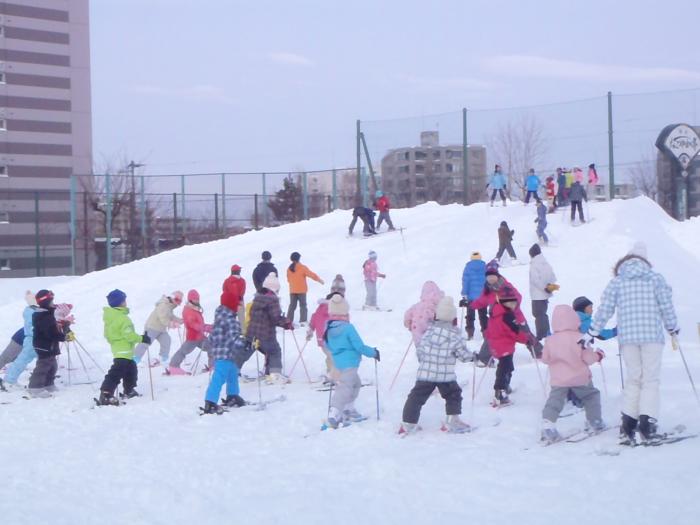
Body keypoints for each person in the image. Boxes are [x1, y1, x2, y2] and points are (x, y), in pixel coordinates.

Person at [589, 242, 678, 445]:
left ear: (627, 260)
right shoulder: (655, 279)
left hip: (628, 337)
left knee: (633, 378)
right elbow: (666, 305)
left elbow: (605, 309)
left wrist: (592, 331)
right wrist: (672, 327)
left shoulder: (618, 282)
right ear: (645, 260)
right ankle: (648, 423)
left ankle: (628, 423)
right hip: (651, 337)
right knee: (650, 380)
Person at [400, 296, 474, 435]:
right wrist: (474, 357)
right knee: (453, 394)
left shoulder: (429, 332)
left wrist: (426, 364)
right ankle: (452, 421)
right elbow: (463, 355)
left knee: (416, 397)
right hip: (445, 376)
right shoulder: (454, 336)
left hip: (425, 374)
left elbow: (420, 350)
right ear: (453, 318)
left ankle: (408, 424)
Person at [540, 305, 606, 443]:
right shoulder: (581, 338)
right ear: (575, 320)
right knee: (591, 396)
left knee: (554, 402)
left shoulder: (550, 340)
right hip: (579, 378)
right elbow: (588, 358)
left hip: (559, 379)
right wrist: (598, 355)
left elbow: (545, 359)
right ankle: (595, 421)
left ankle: (548, 426)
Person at [324, 294, 379, 428]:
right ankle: (334, 413)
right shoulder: (348, 328)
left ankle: (348, 409)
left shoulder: (329, 328)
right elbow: (359, 346)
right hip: (350, 362)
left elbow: (327, 345)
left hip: (339, 362)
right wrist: (373, 352)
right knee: (345, 387)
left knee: (356, 384)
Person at [470, 260, 535, 365]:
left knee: (526, 335)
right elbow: (481, 301)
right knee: (491, 337)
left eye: (493, 276)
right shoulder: (488, 289)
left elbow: (518, 297)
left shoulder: (505, 286)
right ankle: (484, 358)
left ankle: (540, 353)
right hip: (496, 320)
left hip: (514, 317)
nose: (491, 279)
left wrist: (509, 306)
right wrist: (470, 304)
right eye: (488, 276)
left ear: (497, 275)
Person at [97, 289, 149, 405]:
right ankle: (106, 394)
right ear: (121, 302)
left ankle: (129, 390)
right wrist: (142, 338)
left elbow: (107, 334)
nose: (126, 302)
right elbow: (129, 335)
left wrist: (115, 342)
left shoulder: (110, 317)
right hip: (124, 350)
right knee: (116, 372)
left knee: (131, 370)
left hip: (120, 350)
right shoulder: (123, 318)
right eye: (124, 300)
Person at [201, 299, 252, 415]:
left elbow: (212, 338)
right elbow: (234, 339)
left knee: (232, 375)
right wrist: (246, 344)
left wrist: (211, 345)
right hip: (228, 353)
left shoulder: (218, 320)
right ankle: (210, 402)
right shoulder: (231, 321)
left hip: (221, 354)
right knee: (219, 378)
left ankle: (232, 395)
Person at [483, 286, 531, 406]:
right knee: (504, 368)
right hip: (503, 345)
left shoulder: (495, 312)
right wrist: (527, 340)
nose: (513, 304)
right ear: (502, 302)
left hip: (496, 344)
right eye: (509, 302)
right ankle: (500, 391)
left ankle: (505, 386)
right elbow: (515, 333)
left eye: (514, 301)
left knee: (507, 366)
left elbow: (489, 329)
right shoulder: (507, 316)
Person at [248, 272, 294, 384]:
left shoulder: (257, 297)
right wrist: (286, 323)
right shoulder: (272, 299)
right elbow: (275, 318)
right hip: (265, 334)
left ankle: (267, 372)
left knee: (262, 350)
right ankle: (275, 375)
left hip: (253, 333)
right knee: (274, 351)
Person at [27, 290, 72, 397]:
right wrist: (63, 337)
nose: (53, 303)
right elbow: (51, 333)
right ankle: (35, 387)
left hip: (49, 346)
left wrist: (64, 323)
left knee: (52, 366)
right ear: (46, 302)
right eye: (51, 301)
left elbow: (55, 326)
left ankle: (48, 384)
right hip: (44, 346)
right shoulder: (44, 316)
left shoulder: (48, 313)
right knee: (43, 367)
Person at [168, 289, 212, 375]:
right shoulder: (188, 310)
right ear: (190, 299)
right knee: (183, 351)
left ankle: (213, 366)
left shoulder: (194, 308)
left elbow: (199, 323)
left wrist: (208, 327)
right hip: (193, 337)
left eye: (198, 299)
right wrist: (204, 327)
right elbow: (192, 324)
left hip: (200, 336)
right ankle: (173, 367)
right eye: (195, 299)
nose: (197, 301)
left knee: (211, 347)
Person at [134, 291, 184, 366]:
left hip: (161, 329)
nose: (178, 302)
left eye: (180, 301)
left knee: (167, 341)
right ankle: (135, 358)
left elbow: (171, 316)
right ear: (172, 297)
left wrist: (180, 321)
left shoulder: (170, 306)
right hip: (152, 327)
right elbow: (163, 319)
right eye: (177, 299)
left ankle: (163, 358)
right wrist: (172, 324)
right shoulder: (163, 305)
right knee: (146, 342)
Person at [4, 291, 40, 388]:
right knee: (21, 360)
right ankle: (9, 380)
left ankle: (10, 380)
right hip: (31, 340)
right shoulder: (32, 312)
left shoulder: (33, 311)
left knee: (41, 361)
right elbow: (32, 328)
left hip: (34, 340)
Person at [529, 243, 558, 343]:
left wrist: (544, 287)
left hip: (537, 294)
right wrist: (549, 286)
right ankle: (546, 332)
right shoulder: (546, 263)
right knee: (542, 313)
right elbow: (553, 277)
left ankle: (542, 334)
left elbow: (535, 280)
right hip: (546, 294)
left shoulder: (534, 264)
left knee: (538, 313)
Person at [286, 252, 324, 325]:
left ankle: (289, 320)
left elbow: (288, 279)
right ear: (299, 258)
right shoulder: (302, 267)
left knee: (292, 306)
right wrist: (319, 280)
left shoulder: (289, 269)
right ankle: (303, 321)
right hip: (301, 290)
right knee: (303, 305)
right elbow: (311, 275)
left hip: (292, 290)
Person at [307, 293, 336, 382]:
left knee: (329, 356)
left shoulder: (319, 310)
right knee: (334, 357)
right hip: (331, 339)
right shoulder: (334, 310)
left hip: (321, 340)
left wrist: (310, 332)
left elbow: (313, 322)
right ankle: (333, 376)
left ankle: (329, 372)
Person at [460, 252, 487, 340]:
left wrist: (464, 293)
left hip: (471, 297)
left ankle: (470, 333)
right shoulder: (485, 267)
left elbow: (465, 281)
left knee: (470, 316)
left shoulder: (468, 267)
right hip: (483, 296)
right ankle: (486, 333)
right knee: (483, 315)